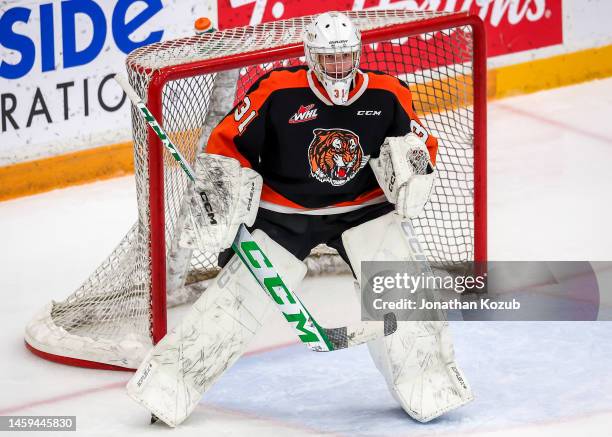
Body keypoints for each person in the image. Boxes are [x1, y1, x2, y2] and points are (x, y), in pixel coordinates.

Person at [128, 11, 473, 427]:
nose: (338, 68)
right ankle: (169, 383)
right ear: (311, 56)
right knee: (238, 298)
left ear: (357, 53)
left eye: (345, 57)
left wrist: (414, 165)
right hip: (285, 214)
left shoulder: (386, 93)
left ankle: (428, 378)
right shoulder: (277, 91)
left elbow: (419, 142)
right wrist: (220, 193)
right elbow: (227, 145)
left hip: (362, 210)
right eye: (329, 59)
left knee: (399, 288)